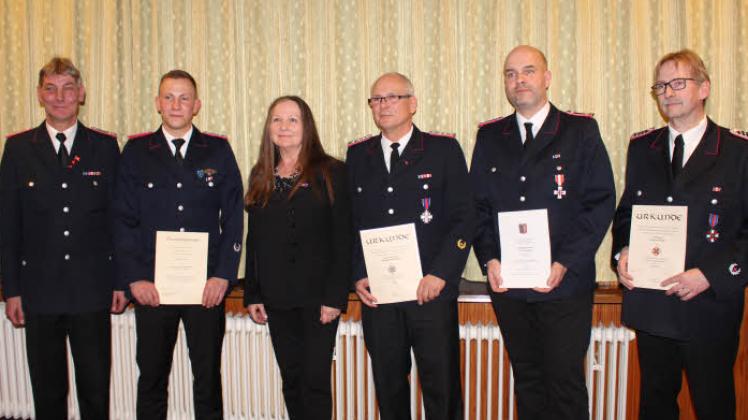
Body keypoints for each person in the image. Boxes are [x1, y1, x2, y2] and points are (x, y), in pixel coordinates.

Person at [470, 45, 616, 420]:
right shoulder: (490, 137)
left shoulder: (579, 131)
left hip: (564, 284)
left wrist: (565, 261)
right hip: (510, 286)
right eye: (511, 73)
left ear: (547, 78)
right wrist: (489, 257)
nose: (519, 80)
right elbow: (478, 208)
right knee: (528, 380)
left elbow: (599, 202)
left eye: (528, 71)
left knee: (565, 383)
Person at [612, 49, 748, 420]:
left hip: (709, 305)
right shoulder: (643, 147)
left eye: (678, 83)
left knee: (713, 404)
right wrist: (623, 252)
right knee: (655, 404)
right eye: (660, 86)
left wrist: (709, 275)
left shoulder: (738, 151)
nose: (668, 92)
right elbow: (627, 213)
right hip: (654, 303)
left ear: (703, 88)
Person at [113, 69, 244, 419]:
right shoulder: (137, 151)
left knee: (207, 379)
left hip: (206, 288)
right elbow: (123, 219)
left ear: (196, 105)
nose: (176, 104)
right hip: (153, 288)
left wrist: (223, 276)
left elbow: (233, 218)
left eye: (184, 97)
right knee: (152, 378)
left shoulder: (217, 150)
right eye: (168, 97)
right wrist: (135, 278)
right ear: (157, 103)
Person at [0, 57, 124, 419]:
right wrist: (12, 290)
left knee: (95, 390)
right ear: (40, 95)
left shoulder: (103, 146)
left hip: (91, 290)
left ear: (81, 94)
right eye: (51, 89)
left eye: (68, 88)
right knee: (48, 392)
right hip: (40, 291)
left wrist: (119, 281)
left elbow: (117, 220)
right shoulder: (19, 149)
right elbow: (8, 226)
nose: (60, 97)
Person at [347, 72, 472, 419]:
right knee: (389, 388)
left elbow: (465, 217)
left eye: (392, 97)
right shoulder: (358, 155)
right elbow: (351, 223)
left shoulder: (442, 150)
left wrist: (441, 274)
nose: (383, 105)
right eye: (376, 99)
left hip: (429, 292)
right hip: (380, 297)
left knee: (442, 389)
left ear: (412, 104)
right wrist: (358, 274)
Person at [243, 95, 352, 419]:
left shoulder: (333, 172)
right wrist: (253, 292)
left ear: (307, 127)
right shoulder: (260, 174)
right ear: (268, 128)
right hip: (277, 298)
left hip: (318, 299)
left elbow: (343, 239)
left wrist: (334, 297)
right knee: (291, 380)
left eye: (293, 120)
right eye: (277, 119)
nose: (284, 127)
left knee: (315, 381)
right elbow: (255, 240)